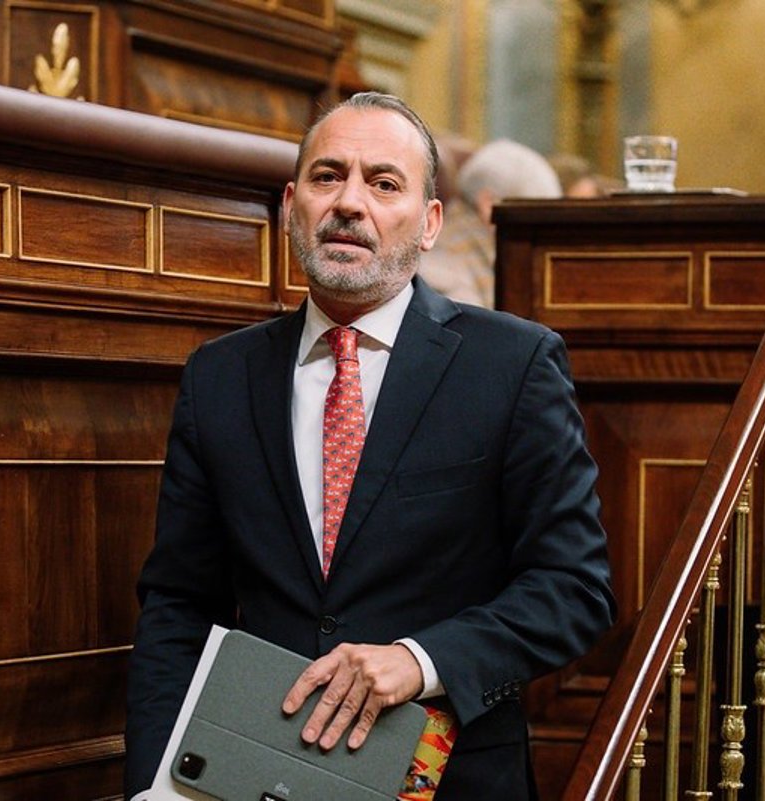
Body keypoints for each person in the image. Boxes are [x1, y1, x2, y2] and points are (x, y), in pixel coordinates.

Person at [125, 91, 615, 801]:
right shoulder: (220, 376)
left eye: (384, 183)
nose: (350, 202)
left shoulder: (512, 366)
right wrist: (152, 784)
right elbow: (178, 604)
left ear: (430, 221)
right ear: (291, 205)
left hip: (447, 777)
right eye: (327, 177)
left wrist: (420, 660)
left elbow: (574, 588)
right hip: (252, 775)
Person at [417, 138, 562, 308]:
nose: (546, 233)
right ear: (489, 204)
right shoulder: (442, 264)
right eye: (534, 215)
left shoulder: (492, 252)